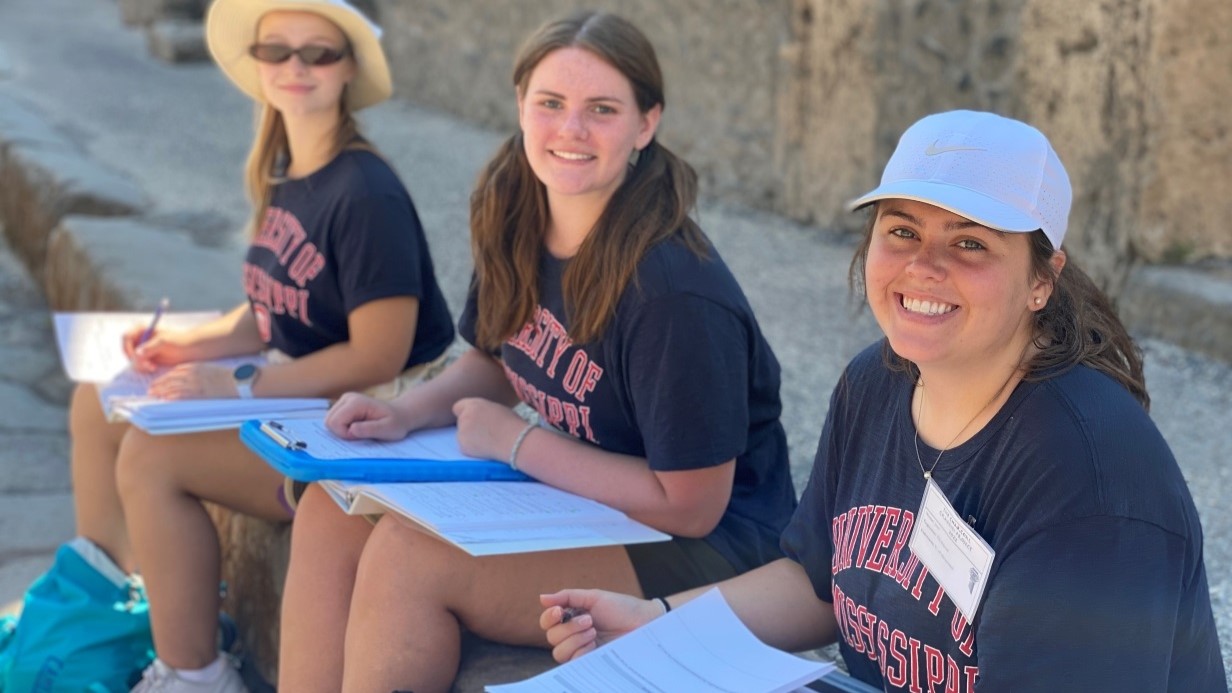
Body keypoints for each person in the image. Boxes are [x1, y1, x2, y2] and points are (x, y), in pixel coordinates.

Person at [541, 110, 1228, 692]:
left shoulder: (1089, 477)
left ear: (1042, 278)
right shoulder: (878, 380)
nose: (924, 266)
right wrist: (655, 618)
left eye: (970, 242)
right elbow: (817, 585)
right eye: (902, 230)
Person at [276, 10, 797, 693]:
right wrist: (407, 412)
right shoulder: (516, 207)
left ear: (646, 124)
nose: (571, 130)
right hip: (599, 502)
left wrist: (518, 443)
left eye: (602, 109)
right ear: (521, 105)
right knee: (331, 508)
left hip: (708, 552)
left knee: (409, 557)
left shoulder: (673, 291)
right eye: (551, 103)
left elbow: (691, 503)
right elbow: (499, 356)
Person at [64, 0, 456, 690]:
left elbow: (380, 356)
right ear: (258, 65)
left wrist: (235, 386)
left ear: (347, 70)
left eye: (318, 52)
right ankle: (117, 611)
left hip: (364, 423)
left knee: (153, 455)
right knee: (98, 397)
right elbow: (271, 307)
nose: (295, 67)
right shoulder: (286, 170)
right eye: (278, 50)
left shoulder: (367, 193)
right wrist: (185, 345)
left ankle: (195, 672)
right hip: (307, 392)